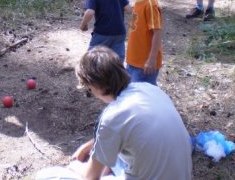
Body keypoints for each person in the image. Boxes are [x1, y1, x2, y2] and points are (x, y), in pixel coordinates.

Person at [70, 47, 192, 180]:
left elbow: (91, 177)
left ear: (94, 86)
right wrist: (89, 146)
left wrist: (78, 168)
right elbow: (129, 130)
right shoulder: (151, 89)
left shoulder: (113, 115)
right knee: (115, 158)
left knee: (74, 169)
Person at [120, 0, 163, 85]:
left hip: (144, 64)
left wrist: (151, 59)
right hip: (134, 60)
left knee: (143, 95)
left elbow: (157, 32)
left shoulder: (151, 4)